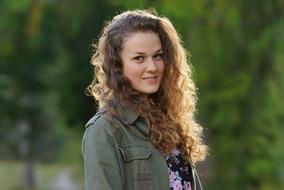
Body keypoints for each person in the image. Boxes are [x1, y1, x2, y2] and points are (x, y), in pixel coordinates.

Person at [82, 9, 207, 190]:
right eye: (139, 58)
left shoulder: (171, 120)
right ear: (117, 65)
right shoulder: (104, 130)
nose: (152, 67)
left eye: (158, 56)